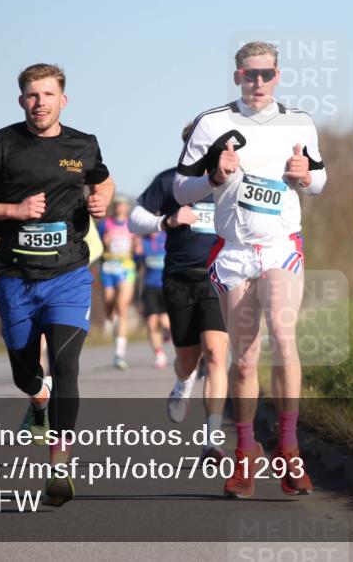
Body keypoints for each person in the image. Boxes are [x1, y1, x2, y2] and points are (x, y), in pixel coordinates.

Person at [0, 63, 114, 507]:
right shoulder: (0, 145)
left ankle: (59, 466)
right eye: (31, 95)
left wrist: (101, 199)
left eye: (47, 94)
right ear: (21, 100)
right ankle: (37, 400)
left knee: (66, 365)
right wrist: (14, 211)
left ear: (64, 100)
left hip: (69, 275)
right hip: (16, 277)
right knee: (26, 374)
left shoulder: (83, 144)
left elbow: (103, 180)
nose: (39, 102)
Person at [173, 41, 327, 498]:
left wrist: (304, 176)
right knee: (243, 361)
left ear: (277, 75)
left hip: (280, 247)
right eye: (249, 74)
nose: (258, 82)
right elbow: (181, 189)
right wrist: (214, 177)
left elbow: (319, 180)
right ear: (237, 76)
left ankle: (289, 448)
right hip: (235, 252)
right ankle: (244, 453)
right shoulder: (211, 123)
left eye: (266, 74)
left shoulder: (299, 122)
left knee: (283, 336)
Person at [129, 124, 230, 465]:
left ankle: (212, 441)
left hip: (218, 278)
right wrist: (167, 221)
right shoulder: (170, 181)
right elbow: (135, 219)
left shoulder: (232, 182)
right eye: (197, 144)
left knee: (215, 354)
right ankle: (182, 382)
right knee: (188, 359)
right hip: (179, 278)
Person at [98, 197, 138, 370]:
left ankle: (119, 354)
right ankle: (111, 318)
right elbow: (96, 246)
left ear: (127, 207)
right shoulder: (105, 224)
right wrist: (104, 243)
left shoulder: (132, 224)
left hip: (126, 267)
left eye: (123, 203)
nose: (120, 206)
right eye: (117, 203)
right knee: (109, 304)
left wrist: (137, 248)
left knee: (122, 307)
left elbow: (138, 248)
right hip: (108, 267)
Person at [137, 230, 171, 369]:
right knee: (151, 322)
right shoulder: (142, 241)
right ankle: (159, 354)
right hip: (149, 287)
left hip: (167, 286)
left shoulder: (167, 237)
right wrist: (137, 253)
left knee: (164, 321)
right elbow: (135, 261)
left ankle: (168, 333)